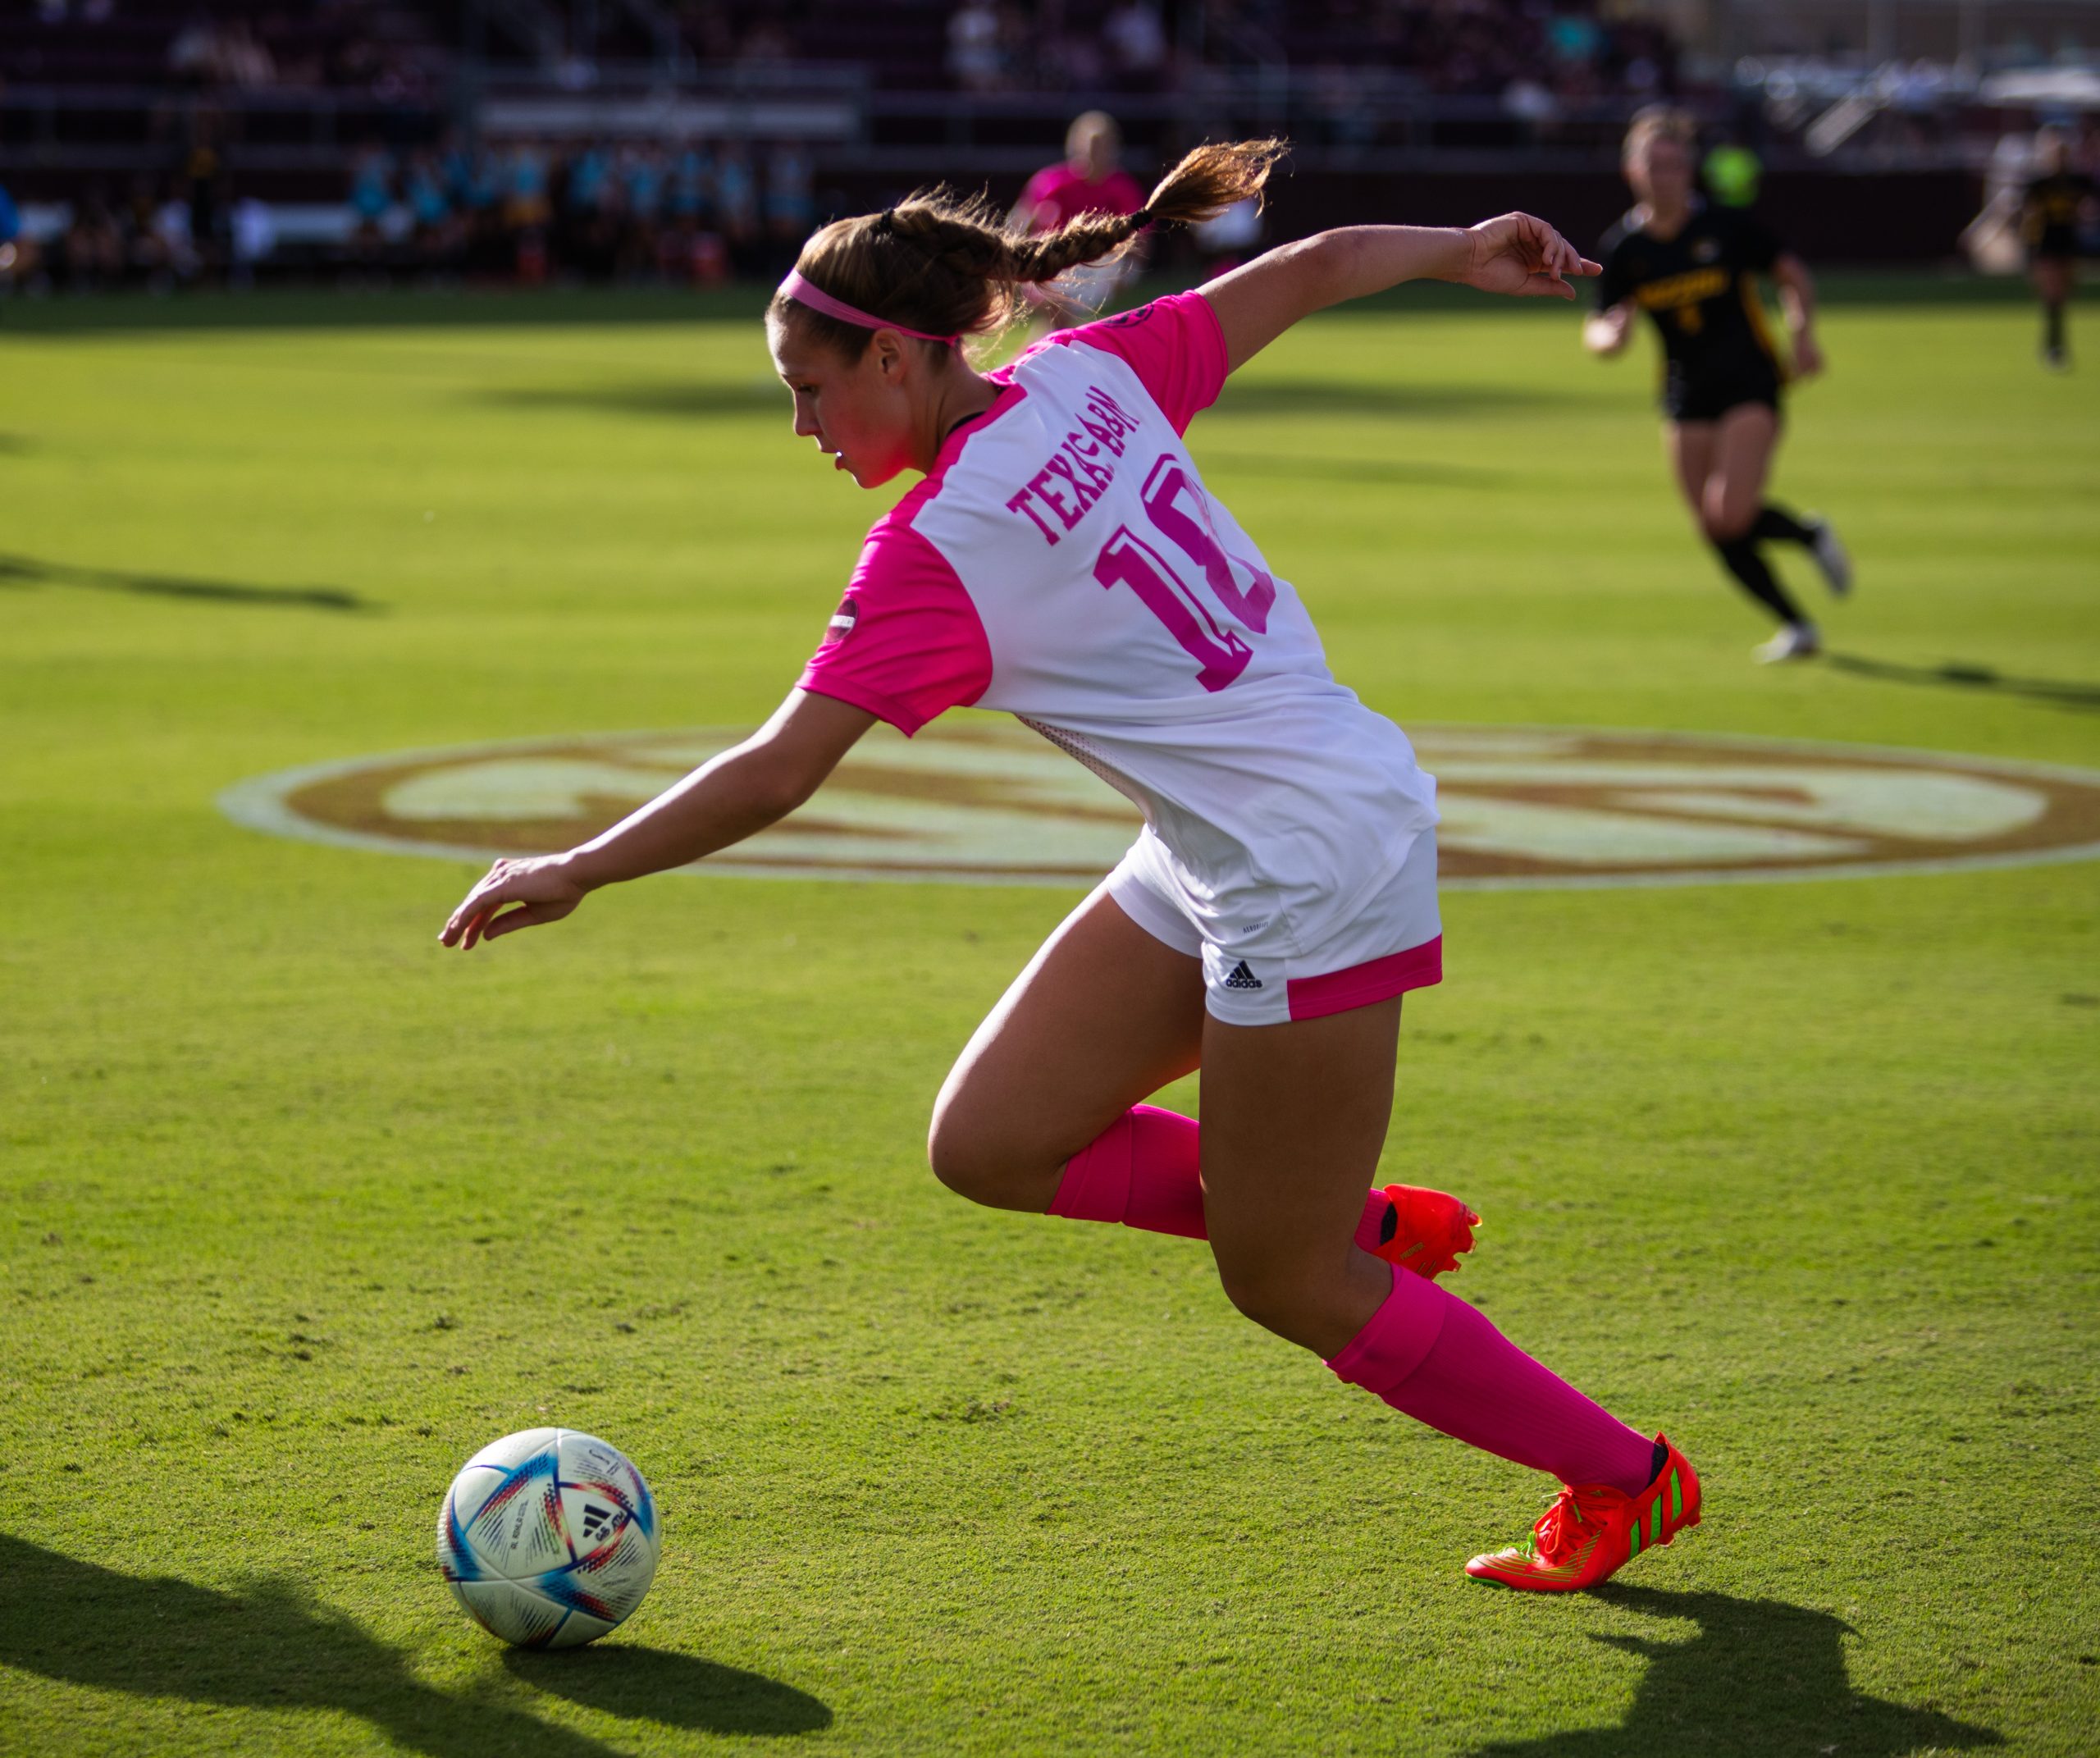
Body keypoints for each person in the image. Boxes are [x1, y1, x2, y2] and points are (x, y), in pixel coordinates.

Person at [437, 140, 1701, 1592]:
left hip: (1307, 857)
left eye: (809, 386)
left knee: (1283, 1280)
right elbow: (1311, 267)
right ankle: (1340, 1208)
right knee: (990, 1141)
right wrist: (1461, 244)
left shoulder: (932, 548)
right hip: (1231, 832)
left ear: (902, 362)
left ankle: (1624, 1475)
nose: (798, 422)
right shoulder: (1079, 377)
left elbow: (779, 767)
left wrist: (581, 864)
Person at [1586, 107, 1850, 664]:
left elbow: (1791, 274)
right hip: (1684, 392)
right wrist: (1607, 337)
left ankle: (1806, 544)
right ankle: (1798, 611)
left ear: (1690, 170)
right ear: (1631, 170)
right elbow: (1601, 320)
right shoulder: (1624, 248)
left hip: (1750, 381)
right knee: (1712, 525)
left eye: (1675, 164)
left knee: (1729, 509)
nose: (1665, 176)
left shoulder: (1725, 226)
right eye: (1653, 165)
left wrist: (1801, 332)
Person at [1011, 112, 1149, 325]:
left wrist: (1130, 276)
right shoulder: (1050, 183)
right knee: (1058, 314)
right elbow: (1019, 226)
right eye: (1089, 146)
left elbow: (1141, 240)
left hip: (1100, 267)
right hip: (1056, 264)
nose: (1094, 153)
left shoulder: (1123, 188)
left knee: (1061, 326)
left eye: (1102, 146)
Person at [2020, 126, 2094, 370]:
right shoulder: (2039, 184)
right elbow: (2027, 216)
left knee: (2064, 296)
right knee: (2052, 297)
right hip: (2047, 244)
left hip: (2069, 244)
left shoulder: (2080, 182)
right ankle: (2054, 346)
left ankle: (2056, 345)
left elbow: (2090, 204)